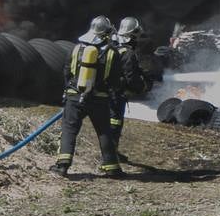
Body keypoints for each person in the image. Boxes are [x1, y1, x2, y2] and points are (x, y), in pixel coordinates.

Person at [51, 16, 123, 178]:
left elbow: (67, 71)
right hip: (99, 99)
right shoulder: (112, 53)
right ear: (106, 33)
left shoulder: (76, 48)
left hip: (74, 97)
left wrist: (69, 89)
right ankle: (112, 168)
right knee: (104, 132)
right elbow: (115, 80)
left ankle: (62, 166)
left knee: (69, 130)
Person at [109, 16, 151, 154]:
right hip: (116, 93)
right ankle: (111, 153)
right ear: (132, 35)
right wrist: (142, 87)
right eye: (136, 36)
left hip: (106, 90)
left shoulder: (112, 46)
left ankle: (111, 151)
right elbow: (131, 77)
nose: (137, 40)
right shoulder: (127, 52)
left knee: (110, 121)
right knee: (115, 122)